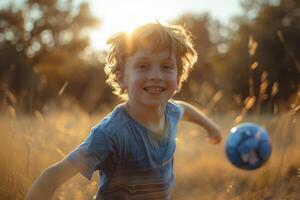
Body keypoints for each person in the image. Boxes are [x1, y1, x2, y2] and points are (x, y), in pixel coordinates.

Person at [25, 22, 222, 200]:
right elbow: (51, 177)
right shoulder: (110, 133)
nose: (156, 75)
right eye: (143, 66)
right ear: (122, 78)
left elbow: (185, 109)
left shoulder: (171, 112)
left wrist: (211, 128)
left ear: (178, 79)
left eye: (166, 67)